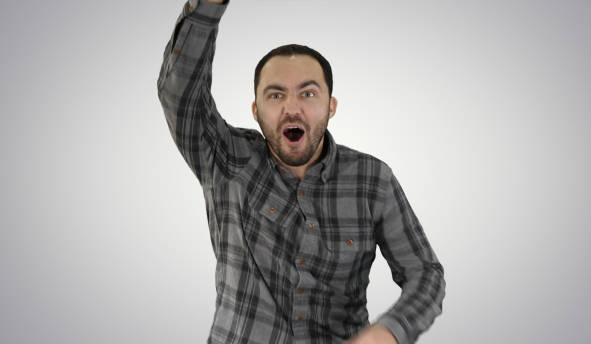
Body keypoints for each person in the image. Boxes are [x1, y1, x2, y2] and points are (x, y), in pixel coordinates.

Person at [157, 0, 445, 343]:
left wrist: (390, 331)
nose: (292, 108)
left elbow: (424, 272)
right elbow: (180, 94)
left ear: (330, 105)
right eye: (276, 95)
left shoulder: (372, 179)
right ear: (256, 109)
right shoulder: (225, 159)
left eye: (307, 93)